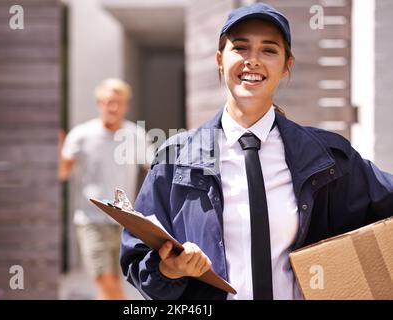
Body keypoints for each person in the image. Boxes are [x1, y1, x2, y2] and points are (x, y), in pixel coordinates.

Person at [120, 3, 393, 300]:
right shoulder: (176, 158)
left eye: (269, 50)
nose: (253, 61)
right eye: (240, 48)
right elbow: (138, 262)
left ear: (287, 65)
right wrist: (169, 270)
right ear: (220, 60)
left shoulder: (327, 156)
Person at [60, 78, 154, 300]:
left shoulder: (136, 135)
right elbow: (62, 173)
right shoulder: (81, 135)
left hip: (125, 221)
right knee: (105, 280)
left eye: (118, 102)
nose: (113, 107)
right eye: (108, 102)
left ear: (126, 105)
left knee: (111, 284)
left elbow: (154, 171)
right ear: (99, 104)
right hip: (91, 220)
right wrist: (58, 152)